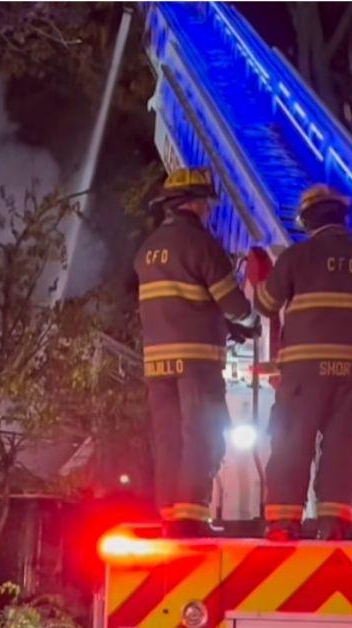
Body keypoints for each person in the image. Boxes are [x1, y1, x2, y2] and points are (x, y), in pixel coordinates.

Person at [250, 184, 352, 541]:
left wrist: (258, 281)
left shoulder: (296, 257)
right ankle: (333, 524)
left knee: (291, 441)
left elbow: (266, 304)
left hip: (303, 373)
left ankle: (284, 523)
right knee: (342, 446)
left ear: (306, 220)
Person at [134, 167, 256, 538]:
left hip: (157, 361)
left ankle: (170, 514)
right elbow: (233, 304)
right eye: (205, 204)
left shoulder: (147, 249)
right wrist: (251, 320)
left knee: (170, 437)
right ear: (193, 203)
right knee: (204, 434)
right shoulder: (201, 244)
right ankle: (191, 517)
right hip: (197, 359)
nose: (208, 211)